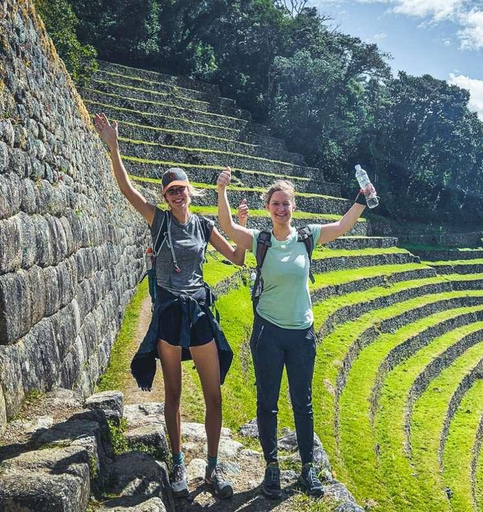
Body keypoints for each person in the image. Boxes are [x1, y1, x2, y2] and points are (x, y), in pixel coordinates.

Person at [94, 113, 250, 500]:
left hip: (198, 310)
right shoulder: (159, 221)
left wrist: (242, 228)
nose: (177, 196)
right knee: (174, 394)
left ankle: (213, 467)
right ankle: (179, 461)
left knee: (213, 395)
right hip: (169, 313)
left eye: (181, 189)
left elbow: (237, 258)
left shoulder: (203, 225)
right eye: (171, 192)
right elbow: (127, 190)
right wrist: (114, 147)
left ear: (190, 191)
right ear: (164, 197)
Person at [215, 167, 376, 498]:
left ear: (294, 207)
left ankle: (306, 469)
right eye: (275, 204)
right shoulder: (260, 239)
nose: (281, 209)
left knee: (303, 403)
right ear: (268, 207)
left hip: (302, 333)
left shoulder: (308, 236)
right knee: (268, 402)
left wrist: (362, 197)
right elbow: (229, 227)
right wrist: (221, 191)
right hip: (268, 332)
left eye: (286, 203)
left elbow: (343, 226)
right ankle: (272, 467)